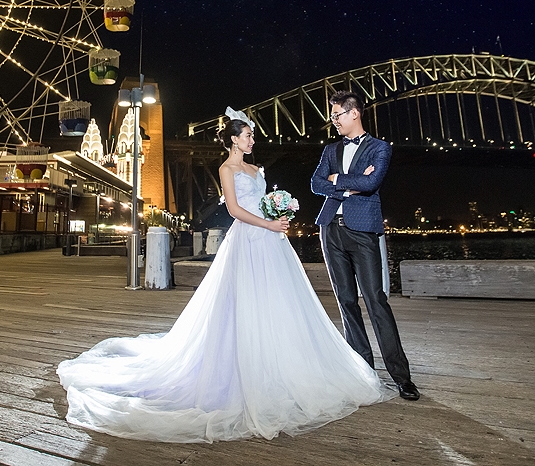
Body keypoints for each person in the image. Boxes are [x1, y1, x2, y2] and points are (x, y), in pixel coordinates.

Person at [57, 108, 394, 443]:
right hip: (248, 240)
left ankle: (280, 362)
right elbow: (234, 210)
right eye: (247, 135)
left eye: (252, 135)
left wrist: (277, 212)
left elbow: (261, 201)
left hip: (271, 243)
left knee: (278, 303)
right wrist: (269, 223)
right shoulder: (227, 169)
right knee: (243, 304)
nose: (252, 140)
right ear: (234, 140)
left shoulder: (256, 169)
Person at [311, 90, 420, 401]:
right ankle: (362, 371)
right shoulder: (330, 149)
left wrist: (337, 180)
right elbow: (315, 184)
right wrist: (350, 183)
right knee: (346, 301)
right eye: (332, 116)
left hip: (362, 231)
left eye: (337, 115)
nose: (333, 121)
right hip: (330, 229)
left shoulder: (380, 148)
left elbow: (372, 183)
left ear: (354, 113)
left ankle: (402, 377)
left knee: (375, 300)